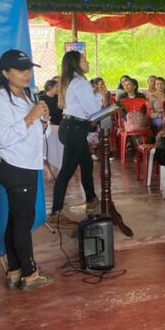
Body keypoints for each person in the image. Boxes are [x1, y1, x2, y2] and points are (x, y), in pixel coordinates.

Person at [0, 50, 55, 291]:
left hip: (27, 163)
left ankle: (14, 271)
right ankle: (30, 274)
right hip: (14, 165)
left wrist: (42, 119)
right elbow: (3, 138)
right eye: (20, 69)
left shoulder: (26, 96)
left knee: (17, 220)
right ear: (5, 73)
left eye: (28, 69)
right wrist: (30, 117)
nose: (27, 74)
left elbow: (38, 132)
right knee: (22, 223)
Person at [50, 51, 99, 227]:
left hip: (72, 127)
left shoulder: (72, 80)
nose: (88, 62)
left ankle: (91, 198)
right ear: (76, 64)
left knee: (87, 164)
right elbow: (92, 109)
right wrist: (100, 96)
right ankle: (55, 212)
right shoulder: (79, 82)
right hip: (75, 129)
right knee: (67, 171)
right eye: (84, 60)